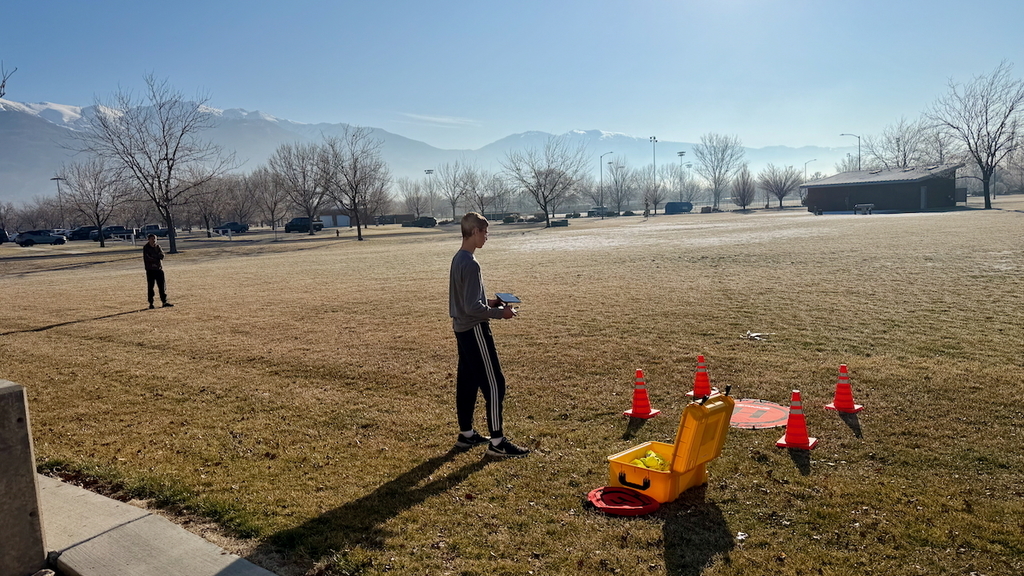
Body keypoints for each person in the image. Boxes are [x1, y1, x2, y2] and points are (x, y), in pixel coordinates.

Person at [449, 212, 529, 457]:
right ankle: (497, 442)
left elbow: (466, 301)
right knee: (495, 384)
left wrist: (490, 302)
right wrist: (500, 314)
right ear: (473, 232)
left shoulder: (458, 258)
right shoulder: (471, 263)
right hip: (475, 330)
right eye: (484, 232)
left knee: (468, 382)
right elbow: (473, 308)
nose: (487, 237)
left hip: (461, 328)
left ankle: (467, 435)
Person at [143, 234, 173, 309]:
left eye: (155, 239)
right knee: (151, 287)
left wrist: (156, 256)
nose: (154, 240)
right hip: (150, 270)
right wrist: (157, 257)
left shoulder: (158, 247)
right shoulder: (146, 248)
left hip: (159, 269)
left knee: (162, 287)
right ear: (148, 239)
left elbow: (162, 255)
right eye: (152, 239)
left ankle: (164, 301)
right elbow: (148, 258)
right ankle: (151, 303)